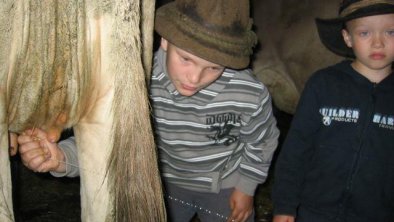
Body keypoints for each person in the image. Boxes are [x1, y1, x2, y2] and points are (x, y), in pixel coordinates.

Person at [17, 0, 280, 221]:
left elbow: (262, 142)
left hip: (224, 187)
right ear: (165, 40)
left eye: (214, 67)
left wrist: (246, 187)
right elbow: (108, 137)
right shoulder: (137, 80)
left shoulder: (249, 94)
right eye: (186, 59)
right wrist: (63, 158)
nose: (195, 77)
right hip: (159, 185)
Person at [272, 0, 394, 221]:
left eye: (390, 32)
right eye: (365, 33)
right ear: (348, 38)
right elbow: (296, 151)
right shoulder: (323, 84)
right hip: (314, 212)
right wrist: (284, 206)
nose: (378, 43)